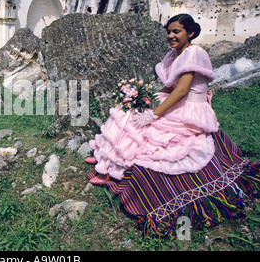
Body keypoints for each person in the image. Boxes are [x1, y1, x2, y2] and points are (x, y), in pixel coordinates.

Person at [86, 14, 260, 236]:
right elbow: (170, 87)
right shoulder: (174, 55)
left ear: (191, 33)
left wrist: (155, 114)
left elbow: (182, 89)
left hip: (190, 109)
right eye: (168, 31)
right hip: (178, 101)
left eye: (176, 31)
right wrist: (145, 97)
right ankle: (106, 160)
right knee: (127, 111)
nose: (170, 35)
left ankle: (111, 166)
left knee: (146, 128)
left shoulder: (194, 53)